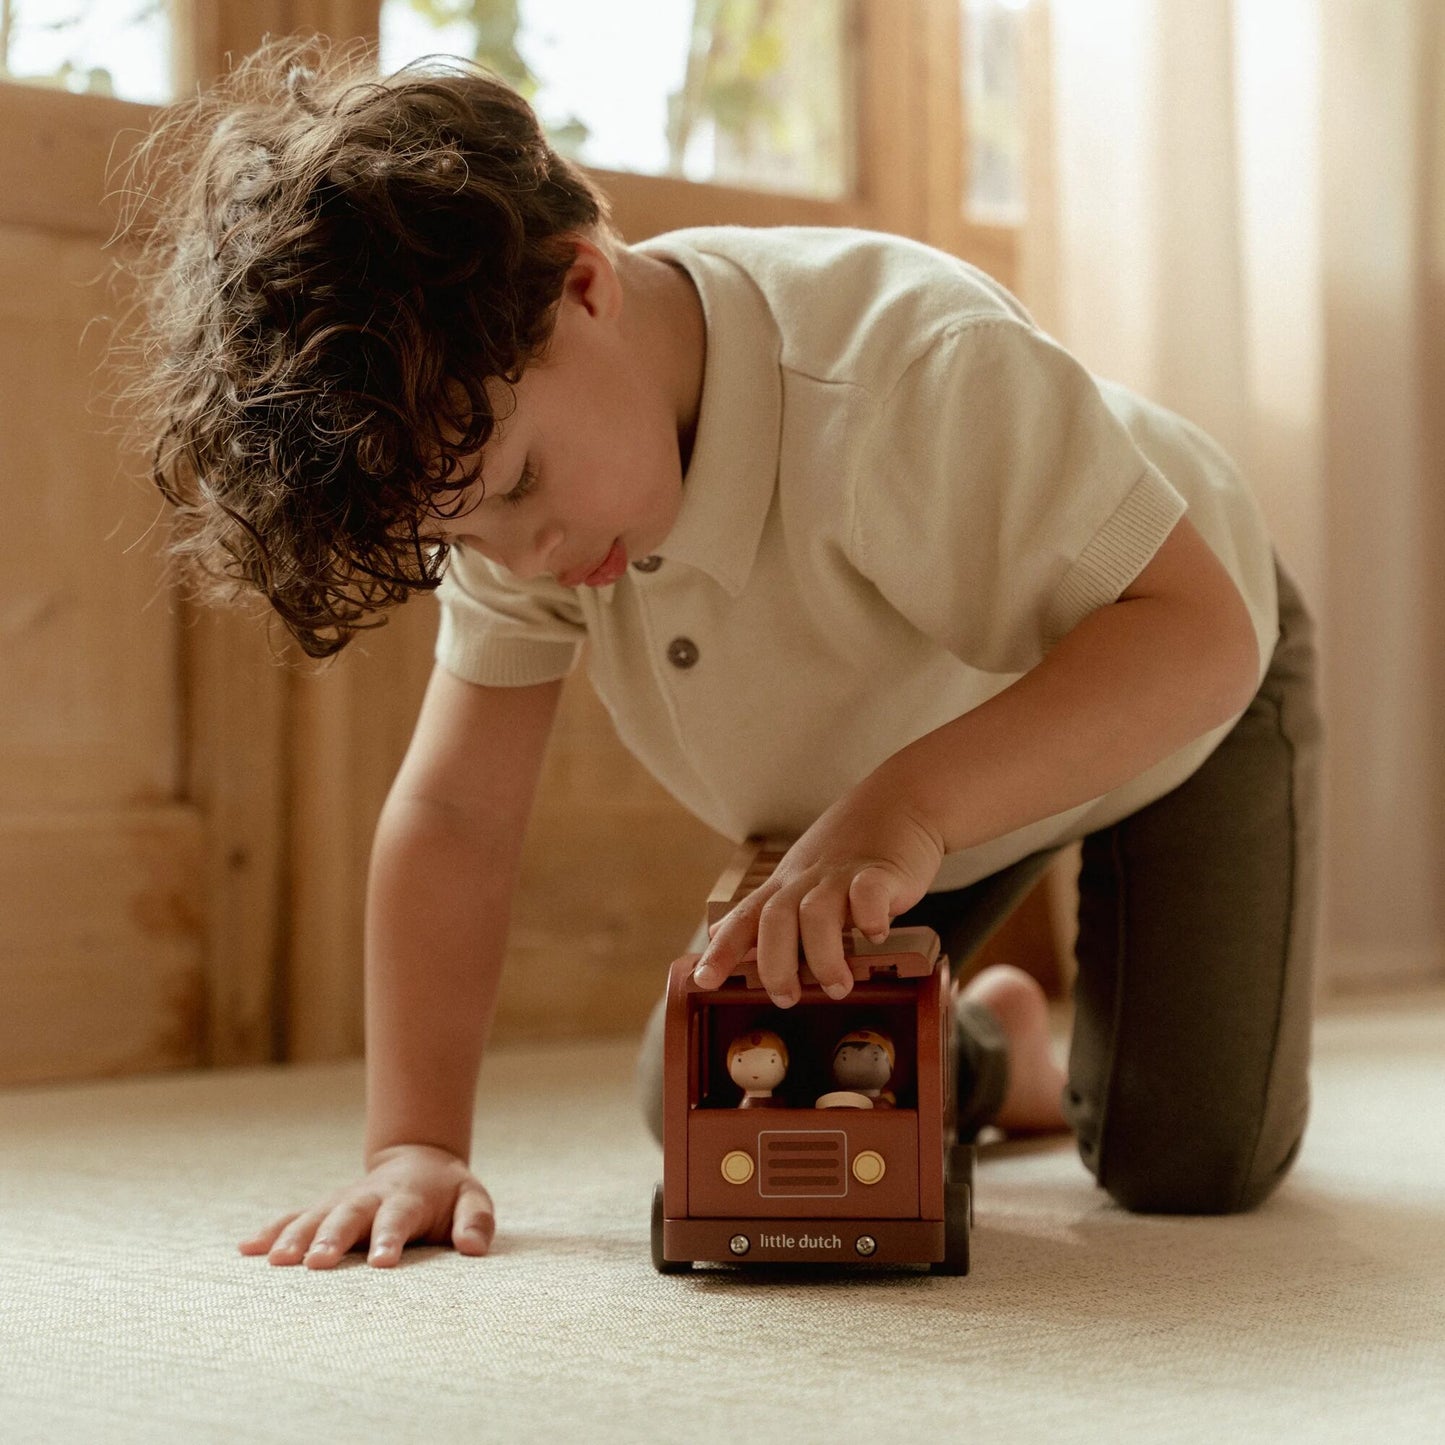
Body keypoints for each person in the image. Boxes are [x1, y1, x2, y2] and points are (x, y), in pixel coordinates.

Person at [121, 39, 1321, 1271]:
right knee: (707, 1086)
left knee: (1185, 1164)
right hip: (894, 797)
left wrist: (898, 811)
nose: (517, 554)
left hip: (1170, 669)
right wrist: (411, 1142)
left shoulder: (903, 369)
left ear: (584, 286)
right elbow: (456, 811)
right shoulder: (516, 501)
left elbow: (1194, 637)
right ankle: (990, 1050)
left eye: (519, 486)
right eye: (460, 530)